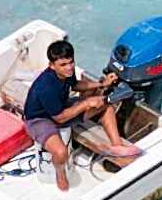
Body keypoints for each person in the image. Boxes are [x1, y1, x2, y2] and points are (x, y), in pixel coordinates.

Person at [10, 35, 137, 191]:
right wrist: (86, 103)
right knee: (60, 151)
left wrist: (101, 83)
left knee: (107, 107)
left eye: (71, 62)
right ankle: (60, 173)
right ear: (52, 65)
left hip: (61, 107)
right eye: (63, 64)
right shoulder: (46, 87)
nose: (69, 67)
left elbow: (76, 85)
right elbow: (60, 117)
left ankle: (117, 147)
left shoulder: (67, 73)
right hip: (39, 119)